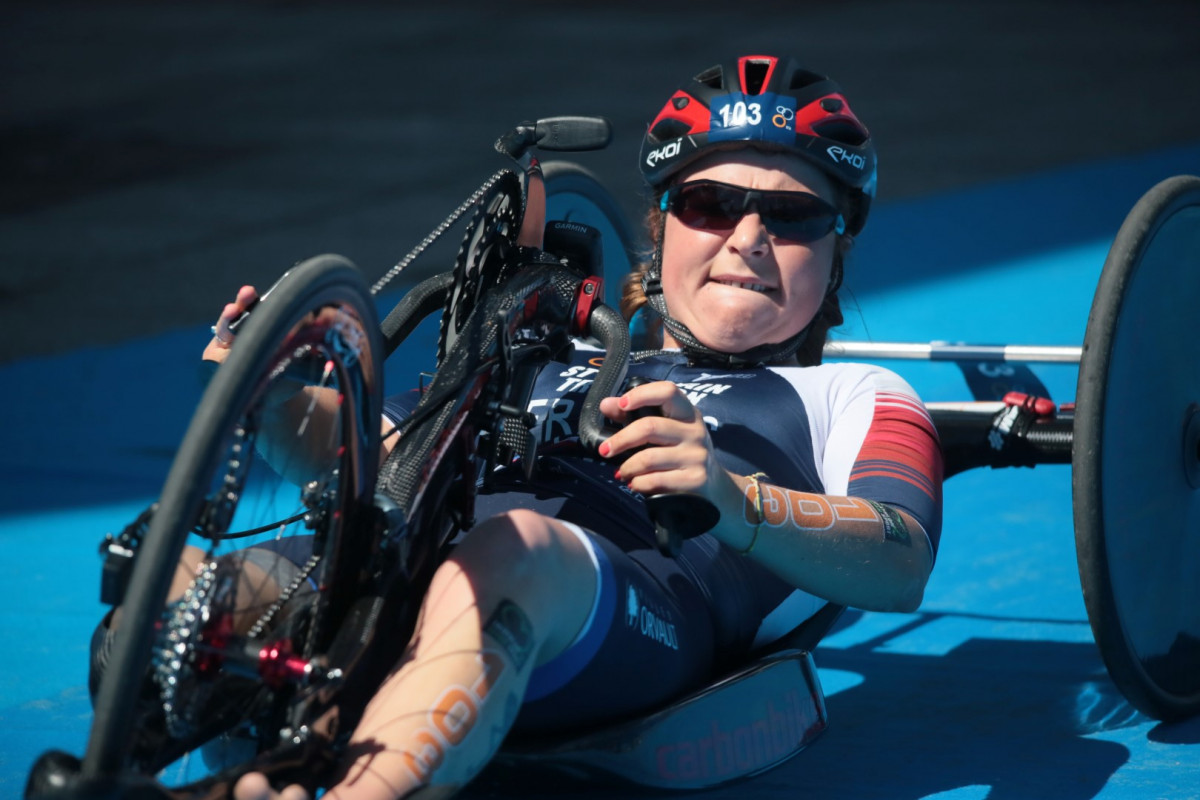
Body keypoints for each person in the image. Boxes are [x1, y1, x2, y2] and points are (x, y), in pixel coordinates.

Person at [127, 55, 943, 800]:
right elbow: (372, 458)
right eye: (711, 204)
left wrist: (732, 498)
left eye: (793, 217)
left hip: (619, 604)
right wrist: (266, 388)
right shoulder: (551, 348)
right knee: (172, 576)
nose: (749, 238)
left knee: (513, 549)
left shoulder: (853, 391)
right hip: (413, 570)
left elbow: (901, 556)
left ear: (836, 252)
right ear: (660, 228)